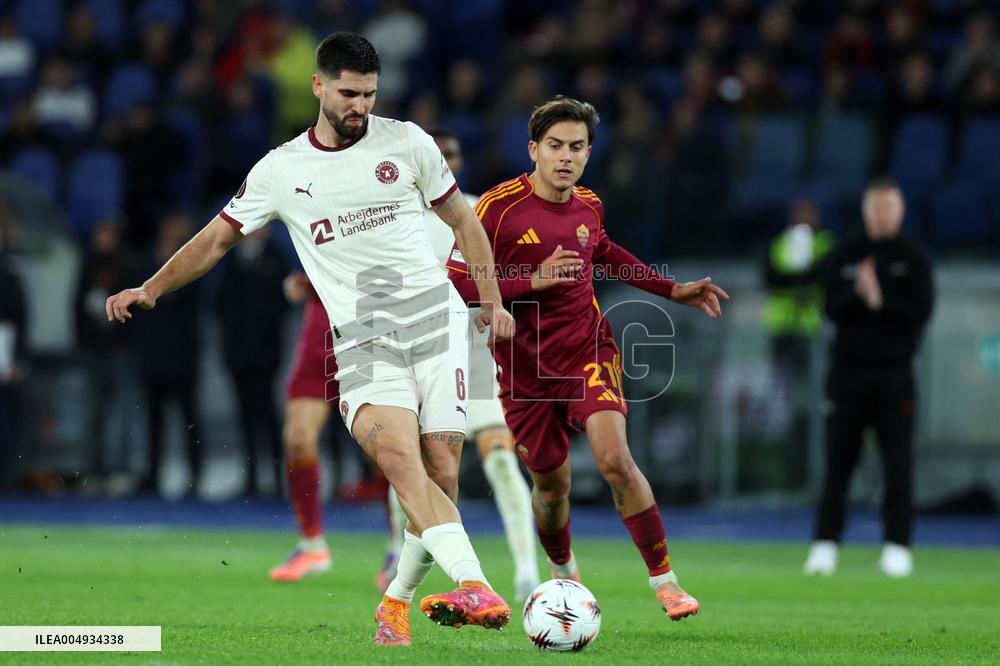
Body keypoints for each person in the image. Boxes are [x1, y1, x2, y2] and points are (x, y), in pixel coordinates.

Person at [106, 32, 516, 647]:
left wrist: (491, 301)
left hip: (437, 326)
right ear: (319, 86)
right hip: (364, 340)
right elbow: (217, 239)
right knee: (400, 459)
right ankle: (476, 583)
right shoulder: (280, 169)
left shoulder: (408, 142)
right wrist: (152, 287)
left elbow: (464, 220)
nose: (360, 108)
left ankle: (395, 603)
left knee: (442, 472)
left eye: (370, 96)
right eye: (349, 94)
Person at [446, 96, 729, 622]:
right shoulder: (496, 209)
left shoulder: (589, 206)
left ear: (588, 153)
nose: (566, 157)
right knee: (552, 489)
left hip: (584, 353)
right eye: (555, 146)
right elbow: (457, 278)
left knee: (616, 460)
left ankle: (664, 580)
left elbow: (606, 252)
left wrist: (672, 290)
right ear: (533, 149)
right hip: (524, 372)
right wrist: (531, 282)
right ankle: (563, 568)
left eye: (577, 147)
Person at [386, 126, 540, 601]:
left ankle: (526, 569)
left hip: (474, 353)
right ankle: (398, 554)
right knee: (411, 462)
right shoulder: (396, 217)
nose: (445, 163)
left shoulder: (480, 212)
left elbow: (510, 277)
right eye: (438, 156)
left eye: (451, 154)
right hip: (420, 351)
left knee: (498, 454)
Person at [804, 177, 934, 578]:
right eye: (875, 207)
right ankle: (825, 546)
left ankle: (898, 547)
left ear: (901, 211)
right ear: (865, 210)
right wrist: (858, 295)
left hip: (895, 376)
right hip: (847, 374)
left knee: (898, 463)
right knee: (838, 462)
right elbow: (830, 310)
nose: (881, 215)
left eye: (888, 207)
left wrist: (880, 301)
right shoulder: (846, 254)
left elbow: (920, 313)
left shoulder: (913, 258)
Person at [762, 199, 833, 488]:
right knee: (787, 405)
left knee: (817, 402)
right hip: (783, 332)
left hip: (812, 334)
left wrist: (793, 279)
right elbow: (771, 278)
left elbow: (824, 274)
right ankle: (791, 472)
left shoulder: (826, 244)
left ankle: (815, 471)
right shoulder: (779, 244)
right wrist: (803, 278)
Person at [215, 227, 289, 496]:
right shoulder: (232, 258)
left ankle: (278, 480)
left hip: (266, 352)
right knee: (245, 416)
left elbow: (281, 304)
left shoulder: (275, 256)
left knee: (267, 416)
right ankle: (252, 479)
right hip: (238, 351)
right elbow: (221, 301)